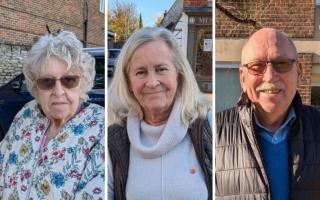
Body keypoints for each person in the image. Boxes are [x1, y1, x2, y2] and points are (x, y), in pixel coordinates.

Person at [108, 27, 212, 200]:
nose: (152, 82)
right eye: (140, 72)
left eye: (161, 69)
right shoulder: (114, 140)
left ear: (179, 75)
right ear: (128, 82)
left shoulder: (207, 128)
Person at [216, 28, 320, 200]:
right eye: (257, 67)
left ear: (299, 73)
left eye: (282, 64)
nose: (270, 76)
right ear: (243, 78)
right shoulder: (213, 134)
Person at [0, 31, 105, 199]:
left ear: (82, 81)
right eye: (47, 81)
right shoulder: (27, 113)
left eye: (69, 80)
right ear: (35, 85)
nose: (58, 91)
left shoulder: (100, 127)